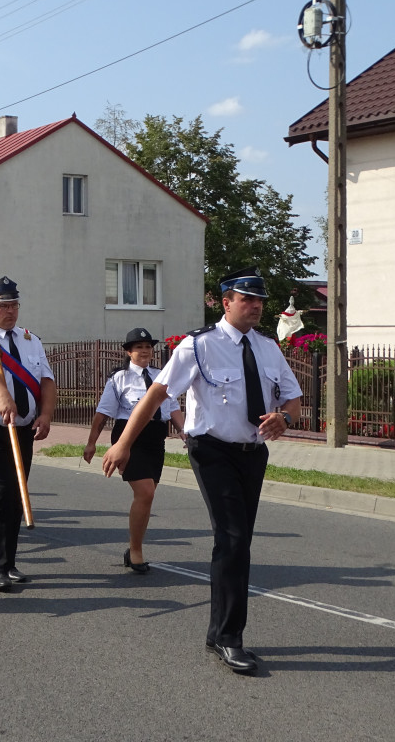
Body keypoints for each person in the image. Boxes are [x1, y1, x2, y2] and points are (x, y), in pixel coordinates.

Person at [102, 267, 302, 676]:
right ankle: (230, 638)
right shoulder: (198, 346)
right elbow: (158, 394)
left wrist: (285, 418)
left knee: (238, 539)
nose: (256, 306)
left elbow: (293, 398)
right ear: (226, 302)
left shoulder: (267, 348)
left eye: (259, 300)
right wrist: (122, 443)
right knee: (231, 539)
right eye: (247, 299)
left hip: (253, 453)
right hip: (211, 451)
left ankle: (217, 632)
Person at [0, 277, 56, 591]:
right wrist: (3, 396)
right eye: (3, 306)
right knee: (1, 492)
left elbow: (46, 379)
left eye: (14, 305)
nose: (10, 311)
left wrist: (45, 414)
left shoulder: (31, 340)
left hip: (23, 428)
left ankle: (11, 561)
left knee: (18, 493)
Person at [83, 328, 185, 573]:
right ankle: (137, 551)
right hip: (128, 438)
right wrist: (91, 442)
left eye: (148, 347)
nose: (144, 351)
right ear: (128, 352)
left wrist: (184, 431)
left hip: (154, 439)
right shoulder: (119, 378)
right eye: (138, 347)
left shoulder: (161, 376)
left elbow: (172, 407)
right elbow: (102, 413)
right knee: (146, 492)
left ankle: (134, 547)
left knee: (147, 496)